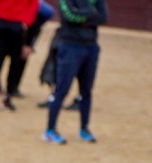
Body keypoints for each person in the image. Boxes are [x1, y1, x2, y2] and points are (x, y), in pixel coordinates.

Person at [43, 0, 107, 144]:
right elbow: (70, 16)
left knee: (86, 91)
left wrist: (82, 15)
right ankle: (50, 130)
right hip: (70, 46)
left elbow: (103, 18)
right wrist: (91, 14)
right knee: (62, 90)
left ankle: (84, 128)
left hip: (91, 46)